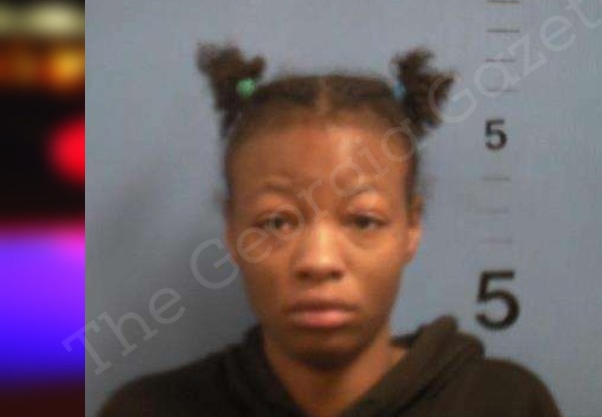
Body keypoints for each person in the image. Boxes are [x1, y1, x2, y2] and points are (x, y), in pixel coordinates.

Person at [98, 44, 562, 417]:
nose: (319, 261)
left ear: (412, 226)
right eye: (277, 221)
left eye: (363, 220)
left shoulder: (503, 404)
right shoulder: (148, 410)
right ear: (232, 231)